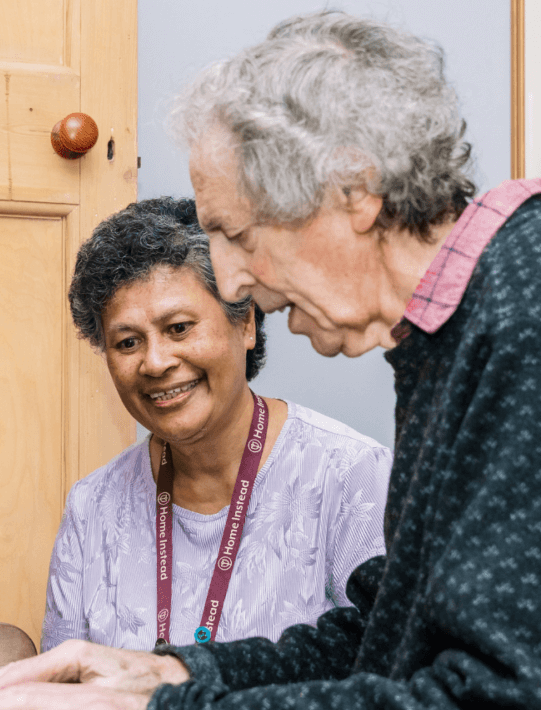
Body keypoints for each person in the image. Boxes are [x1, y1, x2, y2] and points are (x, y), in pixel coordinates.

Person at [0, 12, 541, 710]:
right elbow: (385, 636)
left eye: (236, 236)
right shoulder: (460, 335)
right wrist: (169, 677)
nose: (232, 282)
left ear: (356, 192)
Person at [44, 196, 391, 654]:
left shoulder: (352, 477)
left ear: (245, 324)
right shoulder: (92, 509)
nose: (155, 362)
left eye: (179, 328)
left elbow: (389, 673)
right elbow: (63, 694)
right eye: (127, 342)